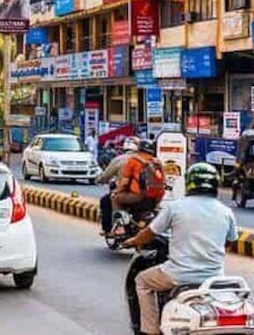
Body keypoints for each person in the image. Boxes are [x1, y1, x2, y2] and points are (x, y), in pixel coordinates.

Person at [123, 163, 238, 335]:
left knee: (142, 281)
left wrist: (132, 241)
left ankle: (149, 330)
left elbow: (150, 232)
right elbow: (230, 242)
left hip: (178, 274)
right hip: (214, 277)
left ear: (189, 183)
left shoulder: (175, 207)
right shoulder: (225, 212)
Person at [111, 138, 162, 226]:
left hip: (139, 195)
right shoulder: (157, 162)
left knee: (115, 198)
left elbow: (124, 182)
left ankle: (120, 225)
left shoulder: (133, 161)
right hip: (156, 198)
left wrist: (116, 191)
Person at [97, 139, 139, 234]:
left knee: (107, 200)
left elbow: (106, 176)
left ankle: (115, 227)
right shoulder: (148, 159)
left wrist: (99, 180)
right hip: (147, 194)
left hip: (128, 194)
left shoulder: (119, 160)